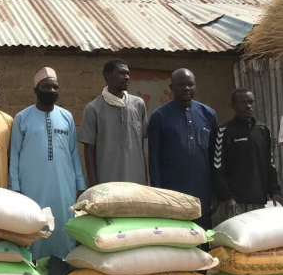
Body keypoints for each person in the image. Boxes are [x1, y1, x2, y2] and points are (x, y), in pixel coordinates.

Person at [9, 67, 85, 261]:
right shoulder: (22, 118)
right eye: (46, 87)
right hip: (31, 187)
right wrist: (15, 187)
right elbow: (15, 155)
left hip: (63, 186)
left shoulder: (66, 117)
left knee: (62, 230)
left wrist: (79, 185)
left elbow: (74, 154)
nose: (51, 91)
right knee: (34, 229)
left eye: (54, 87)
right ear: (36, 90)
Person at [149, 68, 217, 230]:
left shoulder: (208, 114)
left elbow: (215, 157)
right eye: (181, 85)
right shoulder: (159, 116)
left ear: (195, 86)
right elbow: (154, 157)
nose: (186, 88)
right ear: (171, 88)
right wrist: (158, 193)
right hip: (172, 189)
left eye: (190, 84)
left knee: (203, 234)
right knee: (176, 233)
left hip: (202, 188)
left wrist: (215, 192)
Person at [210, 89, 282, 225]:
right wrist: (228, 197)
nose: (248, 106)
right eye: (242, 102)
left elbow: (269, 163)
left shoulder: (263, 129)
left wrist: (274, 191)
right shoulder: (225, 131)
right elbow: (218, 167)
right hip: (235, 202)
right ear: (233, 106)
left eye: (251, 102)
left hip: (259, 199)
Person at [80, 59, 149, 187]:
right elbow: (89, 150)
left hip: (136, 181)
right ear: (107, 76)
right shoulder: (94, 108)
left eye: (128, 73)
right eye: (122, 73)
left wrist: (145, 178)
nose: (127, 77)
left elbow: (141, 145)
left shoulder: (138, 105)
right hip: (106, 183)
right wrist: (93, 185)